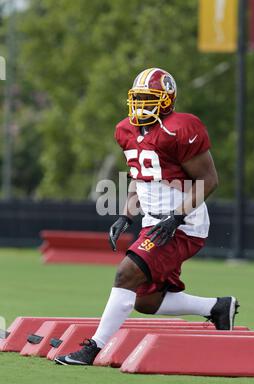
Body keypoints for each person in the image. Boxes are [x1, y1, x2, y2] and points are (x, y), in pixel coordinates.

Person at [55, 67, 239, 366]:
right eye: (138, 99)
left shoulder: (181, 128)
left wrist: (177, 217)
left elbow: (209, 179)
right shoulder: (126, 130)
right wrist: (126, 215)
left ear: (166, 100)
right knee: (145, 300)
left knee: (126, 273)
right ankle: (218, 307)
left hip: (184, 225)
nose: (141, 105)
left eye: (149, 99)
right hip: (154, 222)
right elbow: (141, 177)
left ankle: (93, 348)